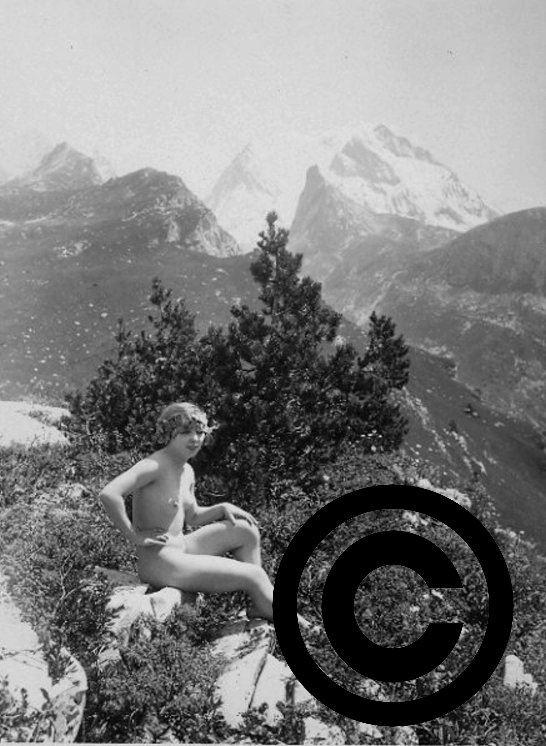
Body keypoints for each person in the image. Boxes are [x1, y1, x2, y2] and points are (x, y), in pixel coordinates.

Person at [98, 402, 274, 621]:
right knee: (254, 574)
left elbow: (192, 516)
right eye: (185, 432)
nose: (195, 439)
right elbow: (109, 494)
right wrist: (134, 535)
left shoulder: (187, 470)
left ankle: (260, 602)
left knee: (246, 530)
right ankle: (281, 612)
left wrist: (221, 508)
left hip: (182, 548)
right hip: (160, 563)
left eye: (200, 432)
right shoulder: (154, 465)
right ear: (169, 433)